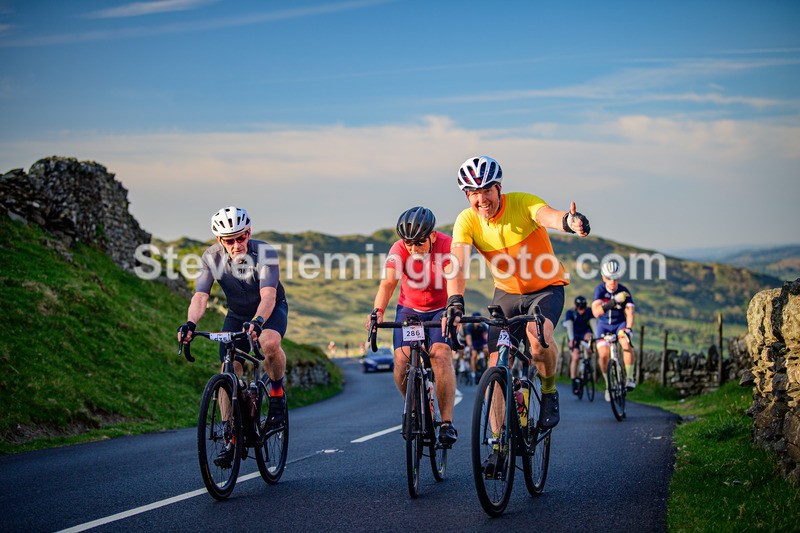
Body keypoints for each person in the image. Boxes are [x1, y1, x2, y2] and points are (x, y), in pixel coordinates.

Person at [444, 155, 590, 437]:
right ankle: (499, 441)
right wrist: (454, 301)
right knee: (497, 365)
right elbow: (458, 263)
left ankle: (548, 391)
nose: (482, 199)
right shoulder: (467, 221)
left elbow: (548, 216)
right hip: (507, 294)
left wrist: (569, 221)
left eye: (487, 189)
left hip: (545, 288)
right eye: (475, 193)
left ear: (499, 188)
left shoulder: (522, 202)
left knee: (538, 340)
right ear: (467, 195)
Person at [177, 206, 289, 467]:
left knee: (269, 343)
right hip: (237, 314)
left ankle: (276, 393)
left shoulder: (265, 253)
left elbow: (269, 296)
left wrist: (259, 321)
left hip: (269, 310)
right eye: (230, 240)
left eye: (241, 237)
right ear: (220, 240)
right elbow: (200, 296)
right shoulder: (211, 257)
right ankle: (231, 435)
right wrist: (191, 323)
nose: (237, 244)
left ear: (249, 233)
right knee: (229, 369)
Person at [365, 206, 458, 445]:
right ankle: (414, 408)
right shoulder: (398, 249)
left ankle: (446, 423)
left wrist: (454, 308)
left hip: (439, 309)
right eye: (409, 243)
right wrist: (378, 312)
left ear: (433, 236)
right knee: (402, 359)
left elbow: (453, 279)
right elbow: (387, 284)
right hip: (410, 310)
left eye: (419, 243)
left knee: (440, 354)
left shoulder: (447, 245)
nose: (413, 249)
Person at [592, 259, 636, 401]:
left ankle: (629, 378)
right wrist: (614, 301)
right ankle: (608, 385)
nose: (613, 282)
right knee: (604, 355)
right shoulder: (600, 290)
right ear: (604, 277)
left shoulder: (624, 290)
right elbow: (596, 312)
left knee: (625, 343)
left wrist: (628, 328)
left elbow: (630, 312)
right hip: (603, 326)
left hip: (619, 324)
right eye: (609, 278)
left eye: (616, 278)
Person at [563, 295, 595, 395]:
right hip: (574, 334)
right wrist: (571, 339)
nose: (582, 311)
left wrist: (596, 337)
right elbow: (569, 327)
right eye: (580, 308)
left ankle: (585, 365)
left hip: (585, 332)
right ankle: (574, 380)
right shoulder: (571, 313)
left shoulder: (589, 311)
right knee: (575, 357)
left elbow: (594, 324)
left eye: (583, 308)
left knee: (588, 345)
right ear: (576, 307)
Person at [464, 311, 489, 383]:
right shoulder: (469, 327)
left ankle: (485, 362)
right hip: (473, 342)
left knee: (486, 350)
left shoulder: (483, 326)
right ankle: (474, 372)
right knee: (474, 355)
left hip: (481, 341)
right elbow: (468, 338)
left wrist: (486, 345)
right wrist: (470, 346)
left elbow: (485, 337)